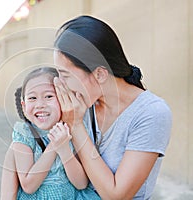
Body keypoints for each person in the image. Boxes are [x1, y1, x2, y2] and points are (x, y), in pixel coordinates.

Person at [52, 15, 172, 199]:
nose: (60, 84)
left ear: (99, 73)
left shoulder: (151, 113)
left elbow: (116, 195)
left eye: (65, 75)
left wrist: (76, 126)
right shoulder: (83, 104)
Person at [1, 66, 100, 199]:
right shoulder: (25, 135)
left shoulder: (72, 131)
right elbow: (29, 186)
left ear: (63, 98)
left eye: (48, 96)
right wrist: (54, 145)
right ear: (24, 107)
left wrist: (64, 149)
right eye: (32, 98)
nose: (40, 104)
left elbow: (81, 184)